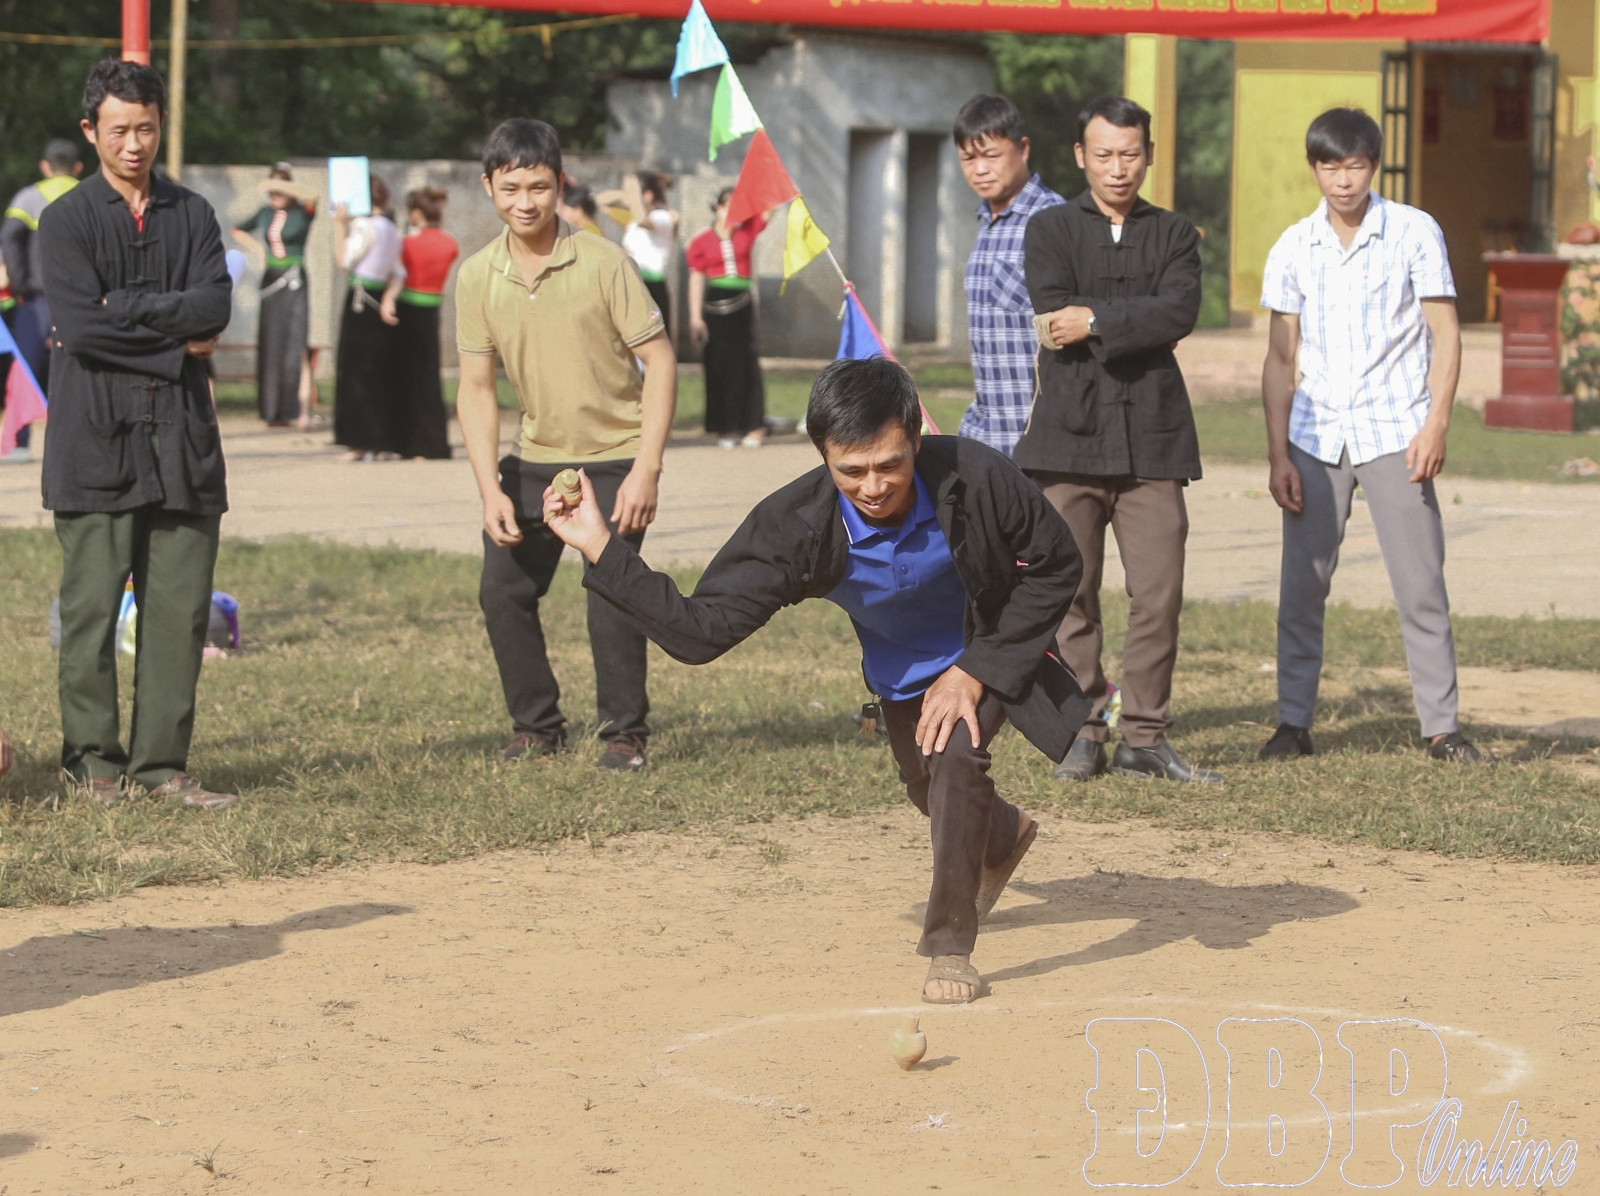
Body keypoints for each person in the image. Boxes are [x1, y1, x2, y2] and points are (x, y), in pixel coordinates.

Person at [541, 358, 1089, 1003]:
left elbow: (1056, 563)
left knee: (953, 756)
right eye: (851, 470)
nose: (873, 486)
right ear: (822, 455)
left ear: (916, 439)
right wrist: (600, 545)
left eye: (889, 464)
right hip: (901, 678)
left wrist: (973, 672)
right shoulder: (794, 525)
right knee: (929, 788)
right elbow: (699, 630)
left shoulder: (976, 475)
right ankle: (1003, 835)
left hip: (989, 646)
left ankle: (950, 946)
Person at [40, 58, 237, 810]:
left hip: (182, 441)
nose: (133, 144)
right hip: (93, 440)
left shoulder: (194, 214)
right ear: (90, 131)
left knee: (179, 614)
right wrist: (175, 342)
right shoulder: (66, 220)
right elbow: (79, 327)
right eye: (119, 130)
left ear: (161, 127)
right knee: (90, 614)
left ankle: (162, 768)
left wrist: (121, 307)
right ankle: (93, 766)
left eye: (146, 129)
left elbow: (212, 307)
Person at [1259, 108, 1483, 765]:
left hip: (1396, 431)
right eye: (1330, 166)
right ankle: (1293, 723)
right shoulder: (1294, 245)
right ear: (1314, 168)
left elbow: (1445, 332)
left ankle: (1441, 729)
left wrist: (1436, 423)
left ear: (1374, 166)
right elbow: (1280, 357)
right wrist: (1277, 454)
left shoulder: (1413, 231)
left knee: (1421, 586)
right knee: (1302, 589)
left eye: (1355, 166)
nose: (1343, 180)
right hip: (1316, 435)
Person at [454, 119, 677, 771]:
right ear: (488, 186)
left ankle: (624, 735)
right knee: (503, 592)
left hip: (614, 455)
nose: (525, 202)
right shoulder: (477, 275)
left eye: (539, 187)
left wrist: (646, 469)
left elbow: (662, 361)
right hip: (532, 460)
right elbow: (475, 389)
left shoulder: (605, 262)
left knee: (611, 597)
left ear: (559, 184)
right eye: (511, 188)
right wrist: (489, 489)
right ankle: (536, 726)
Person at [1015, 95, 1214, 785]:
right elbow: (1052, 316)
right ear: (1080, 156)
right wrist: (1134, 321)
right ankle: (1083, 730)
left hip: (1154, 440)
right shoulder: (1049, 228)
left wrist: (1095, 318)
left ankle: (1146, 737)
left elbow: (1179, 310)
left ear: (1149, 154)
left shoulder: (1176, 233)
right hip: (1066, 440)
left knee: (1159, 593)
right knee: (1071, 593)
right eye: (1103, 154)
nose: (1118, 167)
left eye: (1130, 154)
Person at [955, 95, 1065, 457]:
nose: (980, 169)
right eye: (968, 158)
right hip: (986, 432)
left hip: (1040, 435)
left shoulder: (1054, 221)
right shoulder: (986, 222)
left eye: (991, 155)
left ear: (1023, 148)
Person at [0, 138, 83, 462]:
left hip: (35, 299)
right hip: (80, 299)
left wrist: (19, 283)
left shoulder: (29, 197)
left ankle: (19, 443)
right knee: (79, 368)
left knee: (25, 368)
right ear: (78, 167)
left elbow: (9, 236)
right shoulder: (88, 194)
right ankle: (79, 443)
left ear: (44, 166)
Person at [232, 163, 319, 429]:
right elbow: (238, 230)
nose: (274, 195)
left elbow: (314, 195)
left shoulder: (301, 212)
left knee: (295, 343)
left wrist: (280, 184)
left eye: (279, 190)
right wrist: (260, 251)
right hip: (271, 278)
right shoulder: (265, 213)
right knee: (271, 342)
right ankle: (271, 409)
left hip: (294, 279)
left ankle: (298, 409)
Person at [686, 187, 770, 449]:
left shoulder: (747, 231)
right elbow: (696, 279)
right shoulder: (701, 240)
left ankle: (754, 425)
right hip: (715, 306)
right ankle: (724, 427)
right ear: (718, 208)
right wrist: (695, 317)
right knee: (718, 365)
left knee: (747, 364)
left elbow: (769, 208)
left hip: (742, 305)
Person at [380, 186, 458, 460]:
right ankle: (431, 443)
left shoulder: (407, 244)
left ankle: (405, 442)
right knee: (428, 380)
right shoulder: (450, 243)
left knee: (404, 380)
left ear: (415, 213)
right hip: (432, 309)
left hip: (407, 309)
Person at [332, 175, 404, 462]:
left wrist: (339, 225)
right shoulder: (391, 227)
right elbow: (398, 272)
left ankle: (359, 441)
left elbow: (344, 260)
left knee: (356, 372)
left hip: (360, 299)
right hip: (377, 297)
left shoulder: (364, 225)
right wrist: (389, 299)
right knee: (378, 370)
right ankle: (380, 439)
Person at [599, 172, 678, 331]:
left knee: (652, 333)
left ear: (648, 195)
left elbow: (643, 220)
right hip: (632, 281)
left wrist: (634, 192)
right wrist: (626, 193)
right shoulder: (632, 221)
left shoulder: (664, 217)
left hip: (652, 285)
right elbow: (601, 201)